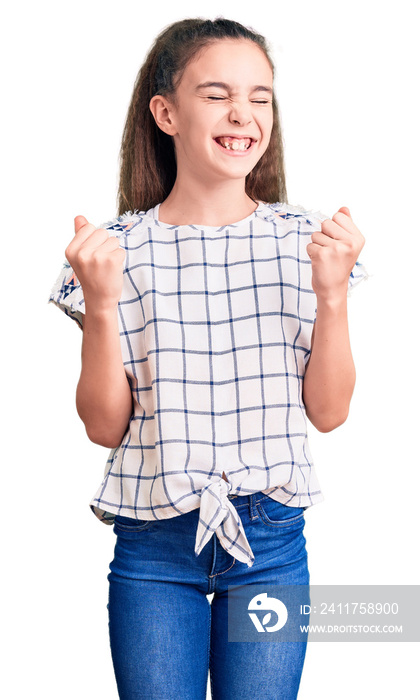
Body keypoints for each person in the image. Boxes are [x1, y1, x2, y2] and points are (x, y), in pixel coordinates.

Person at [49, 17, 368, 700]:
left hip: (271, 545)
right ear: (165, 112)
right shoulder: (117, 251)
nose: (243, 114)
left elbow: (331, 413)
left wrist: (333, 294)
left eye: (260, 97)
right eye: (217, 94)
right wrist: (101, 304)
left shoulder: (304, 242)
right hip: (155, 549)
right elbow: (105, 427)